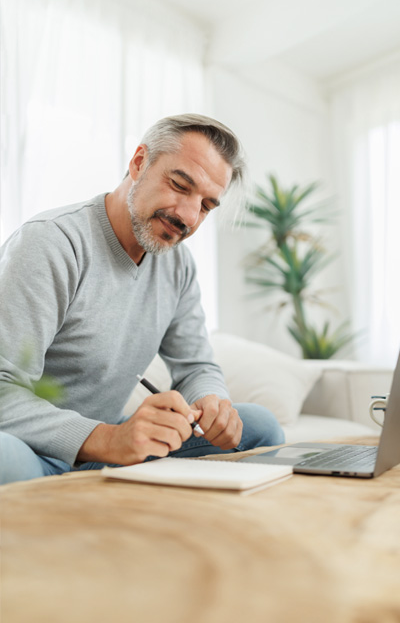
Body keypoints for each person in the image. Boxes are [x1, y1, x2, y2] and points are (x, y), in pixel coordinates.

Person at [0, 114, 284, 484]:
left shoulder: (177, 265)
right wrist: (105, 439)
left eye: (206, 206)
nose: (188, 216)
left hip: (112, 445)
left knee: (260, 426)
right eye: (180, 185)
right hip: (35, 447)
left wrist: (213, 402)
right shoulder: (50, 244)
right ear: (138, 163)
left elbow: (196, 366)